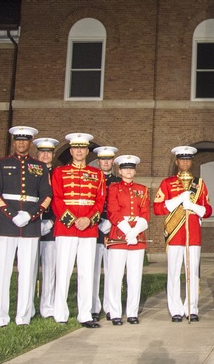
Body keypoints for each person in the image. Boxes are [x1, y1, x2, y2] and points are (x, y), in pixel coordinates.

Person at [0, 126, 53, 328]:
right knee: (3, 272)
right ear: (14, 142)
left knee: (28, 272)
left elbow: (47, 196)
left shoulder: (40, 167)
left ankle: (23, 316)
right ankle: (0, 316)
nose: (22, 143)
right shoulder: (0, 164)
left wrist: (30, 214)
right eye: (18, 140)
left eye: (25, 140)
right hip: (6, 225)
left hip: (31, 226)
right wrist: (12, 215)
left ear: (30, 143)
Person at [51, 132, 106, 328]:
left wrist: (89, 220)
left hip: (88, 228)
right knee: (63, 270)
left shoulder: (98, 174)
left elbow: (100, 202)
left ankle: (85, 314)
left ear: (87, 151)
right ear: (71, 150)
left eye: (83, 148)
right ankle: (60, 313)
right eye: (76, 148)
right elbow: (57, 199)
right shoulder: (59, 172)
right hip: (67, 227)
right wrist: (72, 220)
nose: (79, 151)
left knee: (86, 272)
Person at [153, 146, 212, 322]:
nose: (185, 162)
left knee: (192, 273)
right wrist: (178, 200)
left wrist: (193, 206)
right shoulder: (167, 183)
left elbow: (208, 210)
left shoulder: (199, 184)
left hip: (193, 235)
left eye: (188, 159)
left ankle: (191, 308)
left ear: (191, 162)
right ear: (177, 162)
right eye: (182, 159)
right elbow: (157, 208)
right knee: (173, 273)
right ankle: (175, 309)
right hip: (174, 234)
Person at [104, 155, 151, 325]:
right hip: (118, 235)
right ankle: (115, 313)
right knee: (115, 277)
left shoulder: (142, 189)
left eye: (131, 168)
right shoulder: (114, 188)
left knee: (134, 277)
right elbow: (112, 211)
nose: (128, 171)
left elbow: (145, 213)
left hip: (137, 238)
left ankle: (132, 313)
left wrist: (136, 231)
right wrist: (127, 231)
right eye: (125, 168)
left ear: (135, 171)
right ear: (119, 170)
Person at [92, 145, 121, 320]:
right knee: (94, 270)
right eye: (103, 159)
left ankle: (110, 307)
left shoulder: (118, 181)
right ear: (98, 161)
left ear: (113, 162)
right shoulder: (92, 178)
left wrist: (111, 221)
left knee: (112, 271)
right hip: (94, 228)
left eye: (109, 159)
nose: (106, 162)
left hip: (113, 229)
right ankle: (94, 308)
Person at [33, 137, 59, 318]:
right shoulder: (30, 173)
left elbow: (61, 201)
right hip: (31, 224)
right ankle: (27, 306)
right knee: (29, 268)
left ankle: (48, 305)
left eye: (48, 152)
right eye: (42, 152)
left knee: (50, 269)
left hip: (51, 225)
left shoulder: (57, 174)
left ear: (53, 155)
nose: (45, 155)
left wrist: (51, 221)